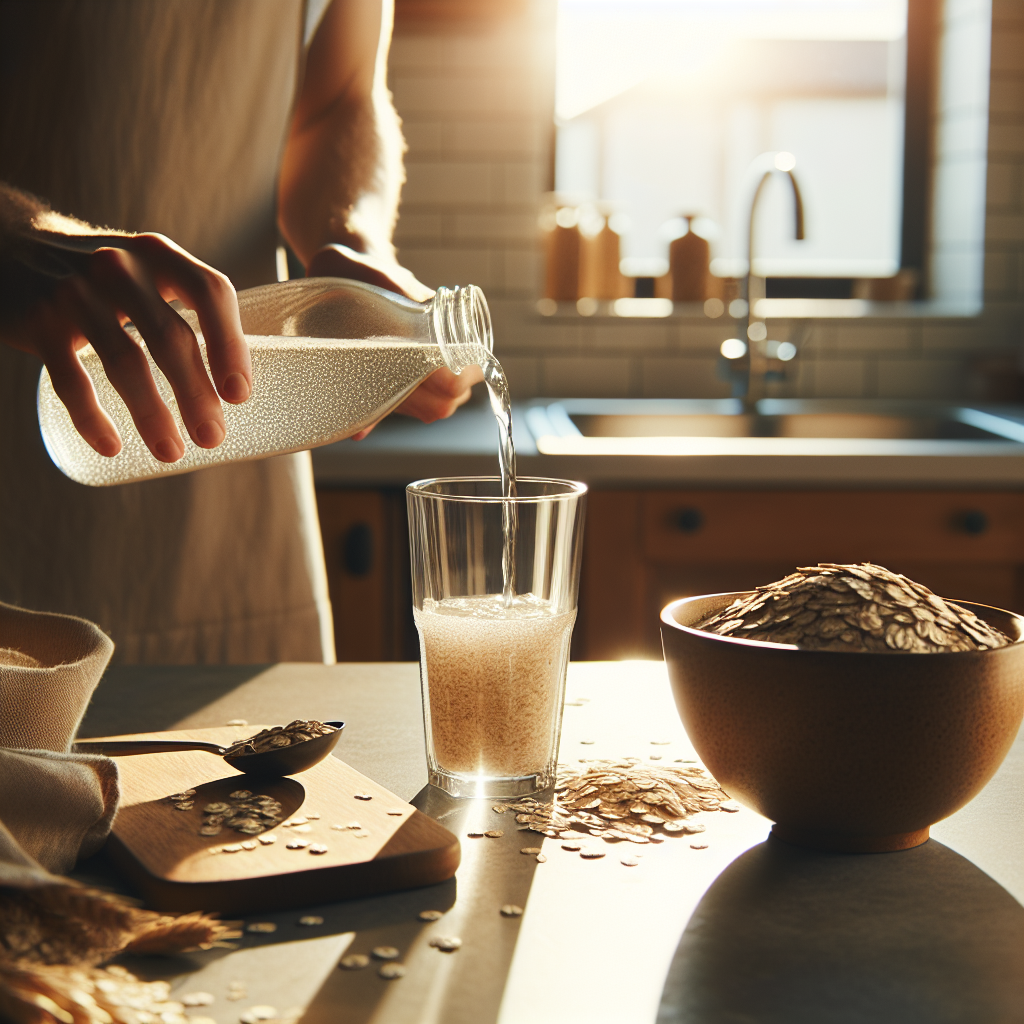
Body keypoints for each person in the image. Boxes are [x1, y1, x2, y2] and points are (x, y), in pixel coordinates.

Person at [0, 0, 481, 664]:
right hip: (28, 441)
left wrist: (351, 238)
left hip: (243, 499)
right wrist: (15, 240)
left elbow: (339, 97)